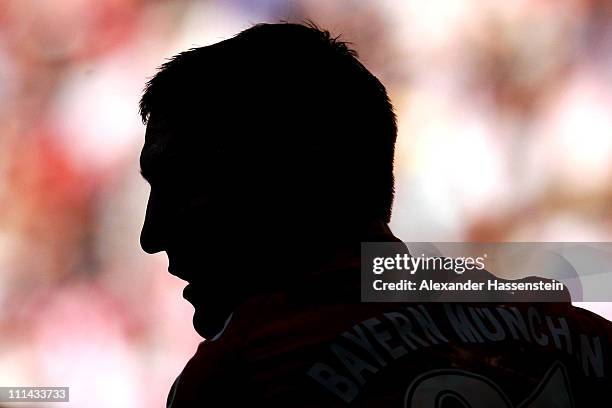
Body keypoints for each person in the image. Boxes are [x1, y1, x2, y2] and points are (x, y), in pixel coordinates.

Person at [139, 22, 611, 407]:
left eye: (181, 190)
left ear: (279, 185)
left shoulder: (249, 375)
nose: (151, 233)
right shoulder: (582, 339)